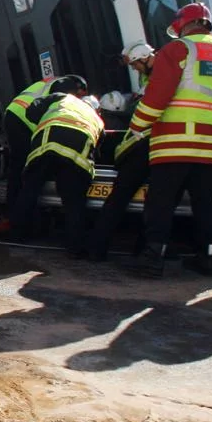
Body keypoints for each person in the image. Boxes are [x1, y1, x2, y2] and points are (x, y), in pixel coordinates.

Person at [122, 3, 212, 277]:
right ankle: (206, 258)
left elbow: (158, 95)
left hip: (174, 145)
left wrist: (137, 125)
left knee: (161, 202)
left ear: (182, 25)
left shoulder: (178, 49)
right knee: (205, 204)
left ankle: (153, 258)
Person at [8, 79, 102, 255]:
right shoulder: (98, 120)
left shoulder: (63, 98)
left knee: (29, 191)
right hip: (74, 158)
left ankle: (16, 234)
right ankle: (74, 248)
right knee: (74, 202)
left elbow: (33, 109)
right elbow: (98, 148)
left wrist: (42, 120)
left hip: (45, 147)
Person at [88, 44, 157, 260]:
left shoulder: (157, 80)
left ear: (144, 58)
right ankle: (144, 252)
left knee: (118, 200)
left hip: (137, 148)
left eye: (135, 65)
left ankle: (96, 250)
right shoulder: (159, 78)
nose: (134, 69)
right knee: (154, 203)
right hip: (150, 147)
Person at [3, 74, 56, 208]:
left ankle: (12, 205)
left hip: (13, 113)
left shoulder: (51, 82)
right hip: (25, 119)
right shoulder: (65, 87)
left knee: (17, 164)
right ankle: (20, 207)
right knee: (28, 166)